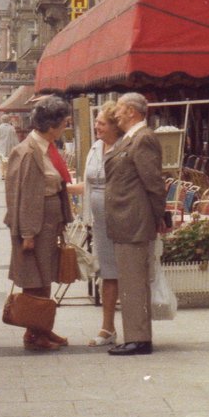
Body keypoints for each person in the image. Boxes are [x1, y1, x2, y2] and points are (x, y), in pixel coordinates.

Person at [4, 96, 74, 351]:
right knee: (34, 279)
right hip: (35, 226)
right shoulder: (26, 151)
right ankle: (35, 333)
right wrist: (27, 233)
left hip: (47, 223)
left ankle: (42, 328)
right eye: (65, 122)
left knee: (44, 278)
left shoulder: (44, 147)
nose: (66, 126)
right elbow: (19, 194)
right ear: (52, 125)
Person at [103, 92, 169, 356]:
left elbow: (153, 183)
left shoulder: (144, 139)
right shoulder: (129, 139)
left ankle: (139, 338)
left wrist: (159, 216)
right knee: (130, 281)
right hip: (126, 220)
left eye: (119, 108)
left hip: (135, 221)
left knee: (133, 282)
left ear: (131, 111)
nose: (115, 113)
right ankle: (135, 335)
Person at [66, 102, 124, 346]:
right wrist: (64, 189)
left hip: (121, 219)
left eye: (101, 123)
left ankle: (131, 327)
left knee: (122, 274)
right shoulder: (95, 148)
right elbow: (89, 185)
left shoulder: (123, 149)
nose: (96, 126)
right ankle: (107, 327)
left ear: (114, 126)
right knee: (107, 272)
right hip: (99, 222)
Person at [0, 114, 20, 179]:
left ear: (2, 120)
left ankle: (3, 174)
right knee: (8, 161)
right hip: (10, 147)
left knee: (1, 162)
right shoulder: (11, 128)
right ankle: (7, 174)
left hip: (1, 147)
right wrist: (18, 147)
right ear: (8, 120)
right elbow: (15, 139)